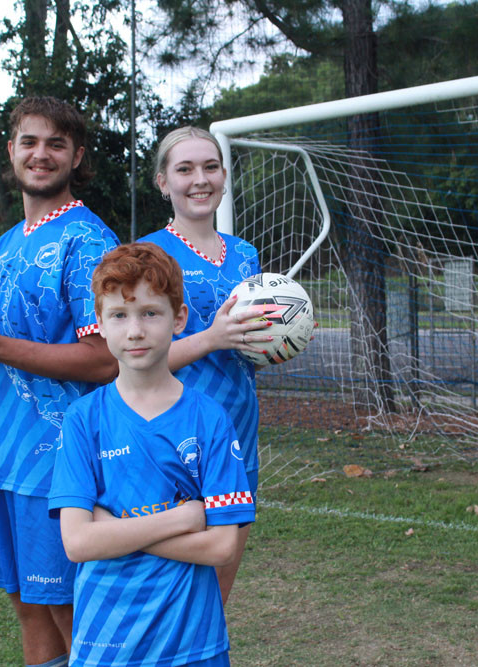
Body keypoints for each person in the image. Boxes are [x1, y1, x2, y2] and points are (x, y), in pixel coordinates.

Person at [0, 96, 120, 667]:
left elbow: (104, 358)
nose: (41, 154)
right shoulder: (5, 245)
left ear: (76, 156)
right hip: (2, 453)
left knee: (70, 610)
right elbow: (0, 359)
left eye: (56, 144)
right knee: (28, 606)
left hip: (57, 460)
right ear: (11, 152)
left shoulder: (89, 242)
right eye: (29, 141)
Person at [49, 242, 255, 666]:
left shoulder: (210, 420)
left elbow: (220, 547)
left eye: (150, 313)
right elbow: (77, 542)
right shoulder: (83, 419)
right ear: (99, 325)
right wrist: (180, 518)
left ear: (178, 318)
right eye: (119, 315)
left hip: (191, 642)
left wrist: (115, 530)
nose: (135, 330)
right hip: (106, 643)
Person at [137, 126, 267, 605]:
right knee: (170, 594)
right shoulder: (145, 256)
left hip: (237, 431)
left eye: (210, 167)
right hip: (173, 435)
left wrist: (278, 341)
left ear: (225, 176)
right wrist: (210, 338)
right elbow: (132, 360)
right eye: (184, 169)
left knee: (218, 592)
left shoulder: (244, 254)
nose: (200, 179)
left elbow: (245, 350)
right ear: (162, 182)